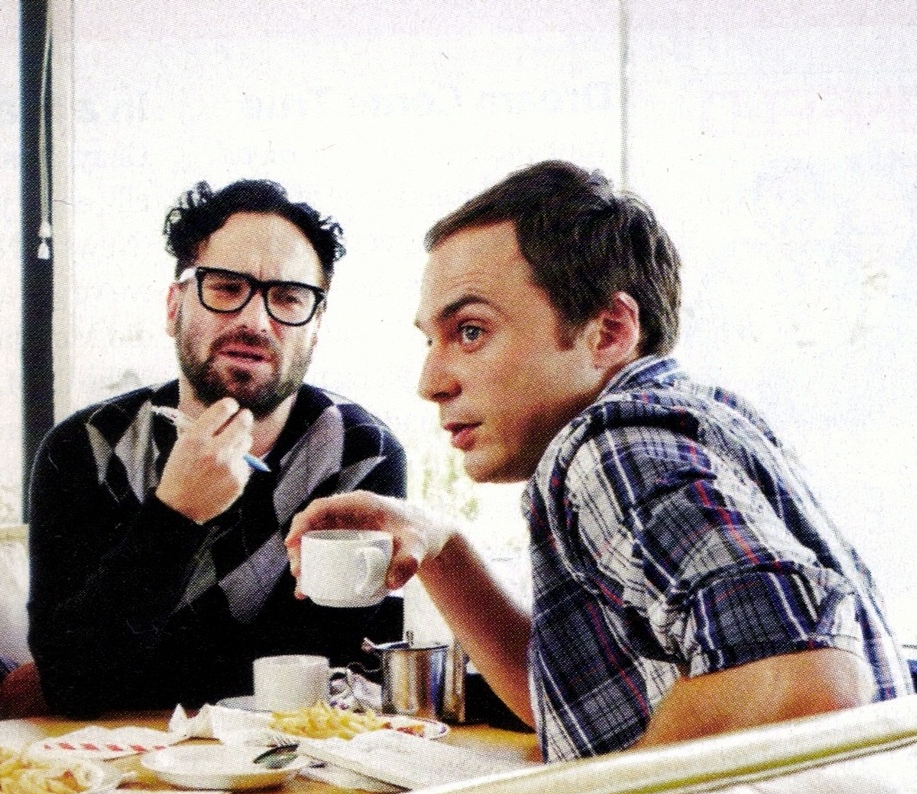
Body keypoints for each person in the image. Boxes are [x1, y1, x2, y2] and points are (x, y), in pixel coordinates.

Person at [288, 160, 910, 761]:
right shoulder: (699, 417)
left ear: (609, 331)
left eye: (471, 331)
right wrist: (440, 545)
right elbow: (576, 705)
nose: (431, 382)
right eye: (431, 339)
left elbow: (808, 681)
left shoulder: (611, 447)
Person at [28, 179, 406, 714]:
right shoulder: (83, 448)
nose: (255, 321)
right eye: (227, 288)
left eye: (288, 298)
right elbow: (73, 685)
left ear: (316, 327)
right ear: (174, 307)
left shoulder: (360, 455)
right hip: (121, 758)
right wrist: (175, 514)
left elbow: (324, 674)